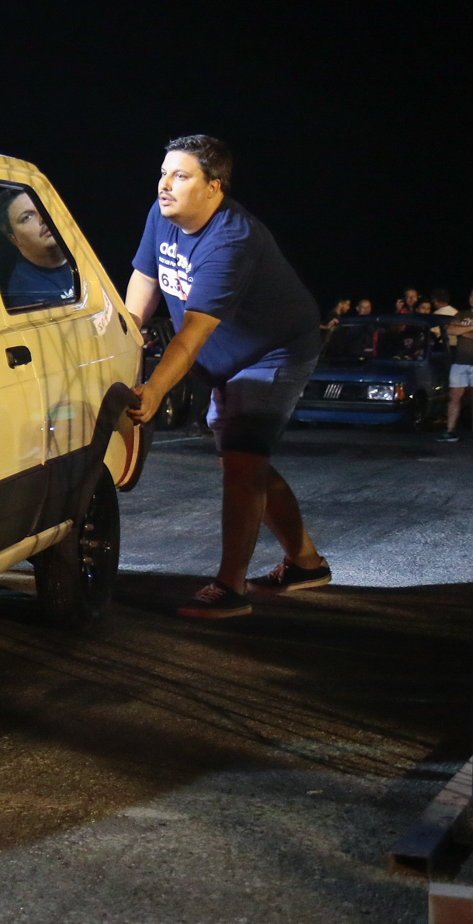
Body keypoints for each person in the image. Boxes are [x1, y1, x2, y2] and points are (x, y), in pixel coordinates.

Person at [124, 135, 328, 618]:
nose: (164, 185)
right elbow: (145, 280)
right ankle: (305, 563)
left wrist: (155, 389)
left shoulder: (231, 240)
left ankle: (231, 587)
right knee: (245, 461)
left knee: (241, 460)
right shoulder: (163, 215)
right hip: (221, 351)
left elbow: (192, 333)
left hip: (272, 351)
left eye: (180, 175)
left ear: (213, 186)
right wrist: (124, 339)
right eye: (163, 173)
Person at [0, 189, 76, 304]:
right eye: (27, 217)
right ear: (14, 239)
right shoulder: (28, 294)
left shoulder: (82, 249)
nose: (43, 218)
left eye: (44, 207)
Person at [438, 286, 473, 442]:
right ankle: (450, 430)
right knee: (454, 395)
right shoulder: (461, 314)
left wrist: (463, 331)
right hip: (460, 360)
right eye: (472, 296)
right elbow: (449, 330)